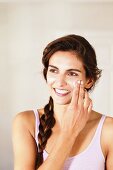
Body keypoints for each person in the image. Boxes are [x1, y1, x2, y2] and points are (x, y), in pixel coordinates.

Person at [12, 34, 113, 170]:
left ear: (89, 80)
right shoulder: (26, 122)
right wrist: (69, 134)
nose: (60, 82)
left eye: (72, 73)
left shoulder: (108, 130)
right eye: (54, 70)